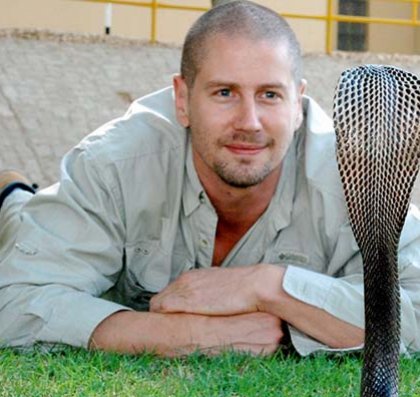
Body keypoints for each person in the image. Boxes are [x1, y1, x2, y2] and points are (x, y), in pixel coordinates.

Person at [0, 0, 419, 357]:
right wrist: (190, 336)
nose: (249, 122)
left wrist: (266, 286)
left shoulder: (353, 175)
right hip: (29, 215)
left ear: (298, 104)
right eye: (224, 93)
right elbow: (15, 301)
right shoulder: (115, 162)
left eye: (270, 95)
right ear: (182, 100)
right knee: (18, 221)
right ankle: (12, 194)